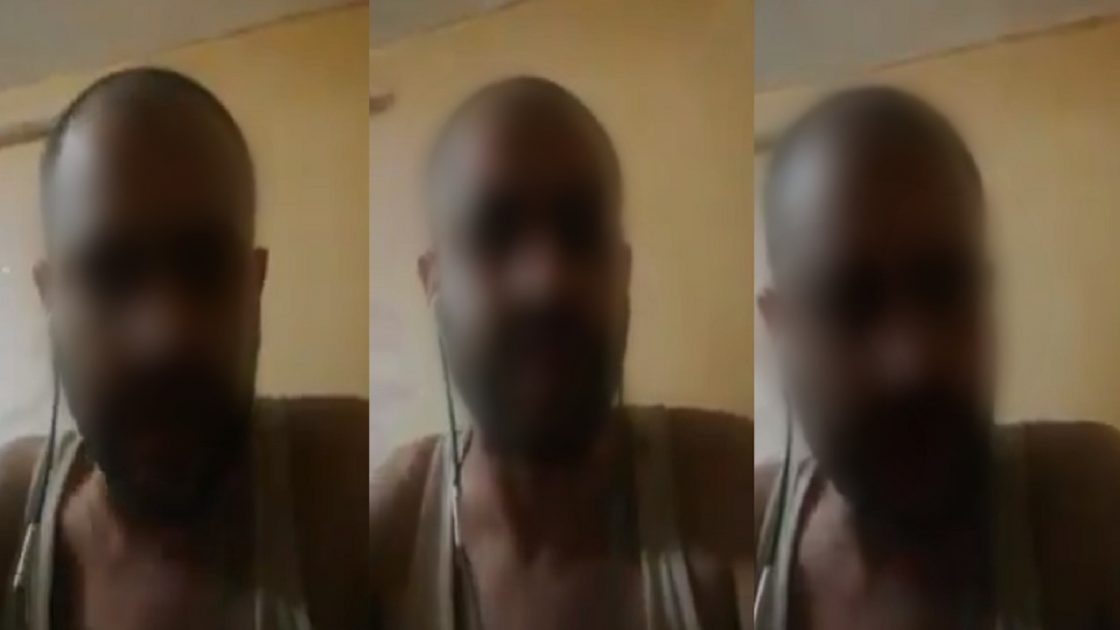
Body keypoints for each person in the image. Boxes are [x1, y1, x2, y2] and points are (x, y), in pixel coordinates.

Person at [370, 77, 753, 630]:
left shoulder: (731, 491)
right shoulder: (386, 533)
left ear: (621, 272)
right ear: (435, 283)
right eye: (495, 233)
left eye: (580, 231)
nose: (546, 281)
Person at [0, 68, 368, 630]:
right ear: (51, 298)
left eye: (205, 266)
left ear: (254, 284)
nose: (165, 334)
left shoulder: (349, 484)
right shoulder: (12, 514)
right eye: (111, 273)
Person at [754, 86, 1120, 628]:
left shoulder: (1092, 508)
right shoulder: (740, 534)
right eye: (850, 303)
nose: (912, 361)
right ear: (780, 327)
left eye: (946, 287)